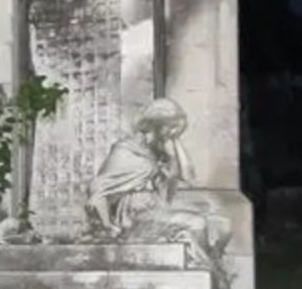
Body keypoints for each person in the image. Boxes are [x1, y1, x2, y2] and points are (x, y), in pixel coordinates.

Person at [86, 99, 231, 277]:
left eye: (176, 130)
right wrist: (107, 225)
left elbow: (189, 177)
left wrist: (175, 141)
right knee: (197, 223)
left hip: (157, 207)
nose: (172, 133)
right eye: (170, 128)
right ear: (155, 124)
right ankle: (205, 269)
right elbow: (98, 189)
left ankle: (211, 263)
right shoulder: (125, 151)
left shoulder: (159, 153)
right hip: (136, 216)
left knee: (224, 225)